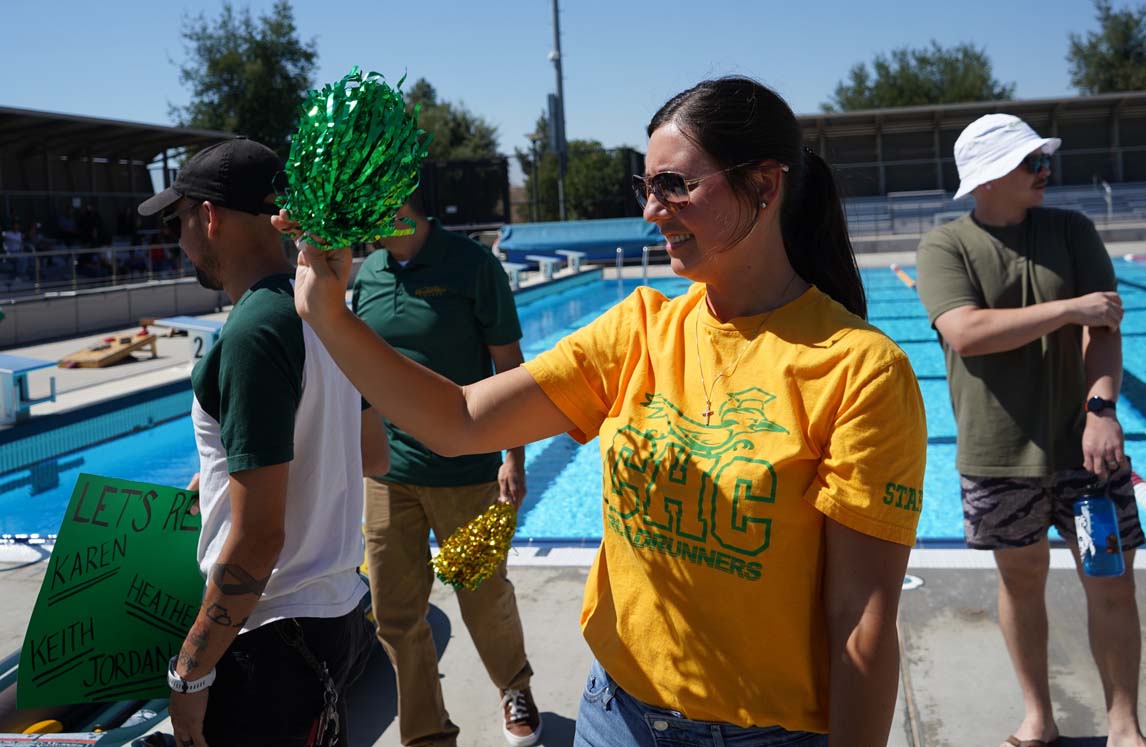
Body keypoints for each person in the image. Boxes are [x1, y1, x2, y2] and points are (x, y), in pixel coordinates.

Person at [280, 76, 927, 747]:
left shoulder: (859, 371)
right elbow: (461, 420)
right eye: (645, 188)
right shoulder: (638, 329)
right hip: (616, 719)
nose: (653, 209)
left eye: (674, 185)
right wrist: (328, 314)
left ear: (764, 186)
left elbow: (861, 618)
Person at [137, 137, 383, 747]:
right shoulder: (326, 310)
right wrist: (228, 472)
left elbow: (259, 537)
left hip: (268, 645)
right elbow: (373, 454)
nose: (179, 237)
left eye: (179, 218)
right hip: (339, 618)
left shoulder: (251, 333)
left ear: (211, 216)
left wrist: (190, 674)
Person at [915, 114, 1146, 747]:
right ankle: (1037, 718)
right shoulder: (947, 247)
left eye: (1042, 162)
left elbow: (1106, 329)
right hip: (996, 453)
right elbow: (967, 333)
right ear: (989, 177)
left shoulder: (1071, 230)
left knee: (1111, 581)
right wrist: (1070, 308)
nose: (1046, 173)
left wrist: (1103, 411)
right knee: (1021, 584)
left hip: (1087, 448)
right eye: (1031, 164)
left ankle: (1124, 728)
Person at [352, 193, 541, 747]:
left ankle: (514, 686)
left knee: (484, 597)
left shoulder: (472, 265)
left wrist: (514, 456)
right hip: (389, 476)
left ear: (399, 201)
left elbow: (509, 368)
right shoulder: (369, 275)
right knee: (394, 613)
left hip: (466, 472)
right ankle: (426, 733)